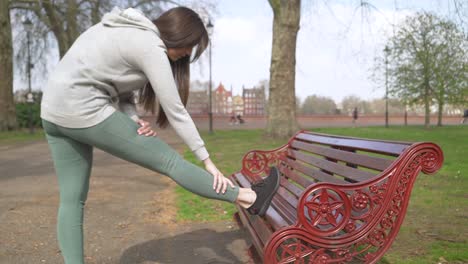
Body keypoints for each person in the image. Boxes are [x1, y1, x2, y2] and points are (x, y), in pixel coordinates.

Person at [40, 7, 280, 264]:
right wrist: (207, 161)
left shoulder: (120, 29)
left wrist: (132, 119)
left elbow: (116, 85)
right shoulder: (149, 45)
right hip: (83, 109)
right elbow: (176, 111)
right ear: (178, 34)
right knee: (170, 161)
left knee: (72, 200)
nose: (188, 54)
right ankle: (249, 198)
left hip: (52, 113)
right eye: (190, 47)